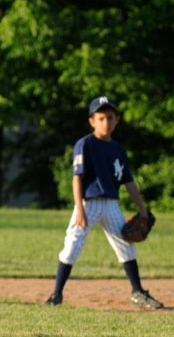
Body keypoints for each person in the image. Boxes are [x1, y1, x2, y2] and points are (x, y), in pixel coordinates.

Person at [44, 96, 164, 309]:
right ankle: (56, 295)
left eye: (110, 117)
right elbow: (76, 178)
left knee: (126, 246)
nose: (106, 122)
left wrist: (142, 209)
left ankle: (138, 292)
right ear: (92, 121)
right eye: (100, 118)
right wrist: (79, 209)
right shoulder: (85, 144)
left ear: (117, 120)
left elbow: (129, 182)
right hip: (88, 204)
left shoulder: (118, 149)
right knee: (72, 245)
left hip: (111, 205)